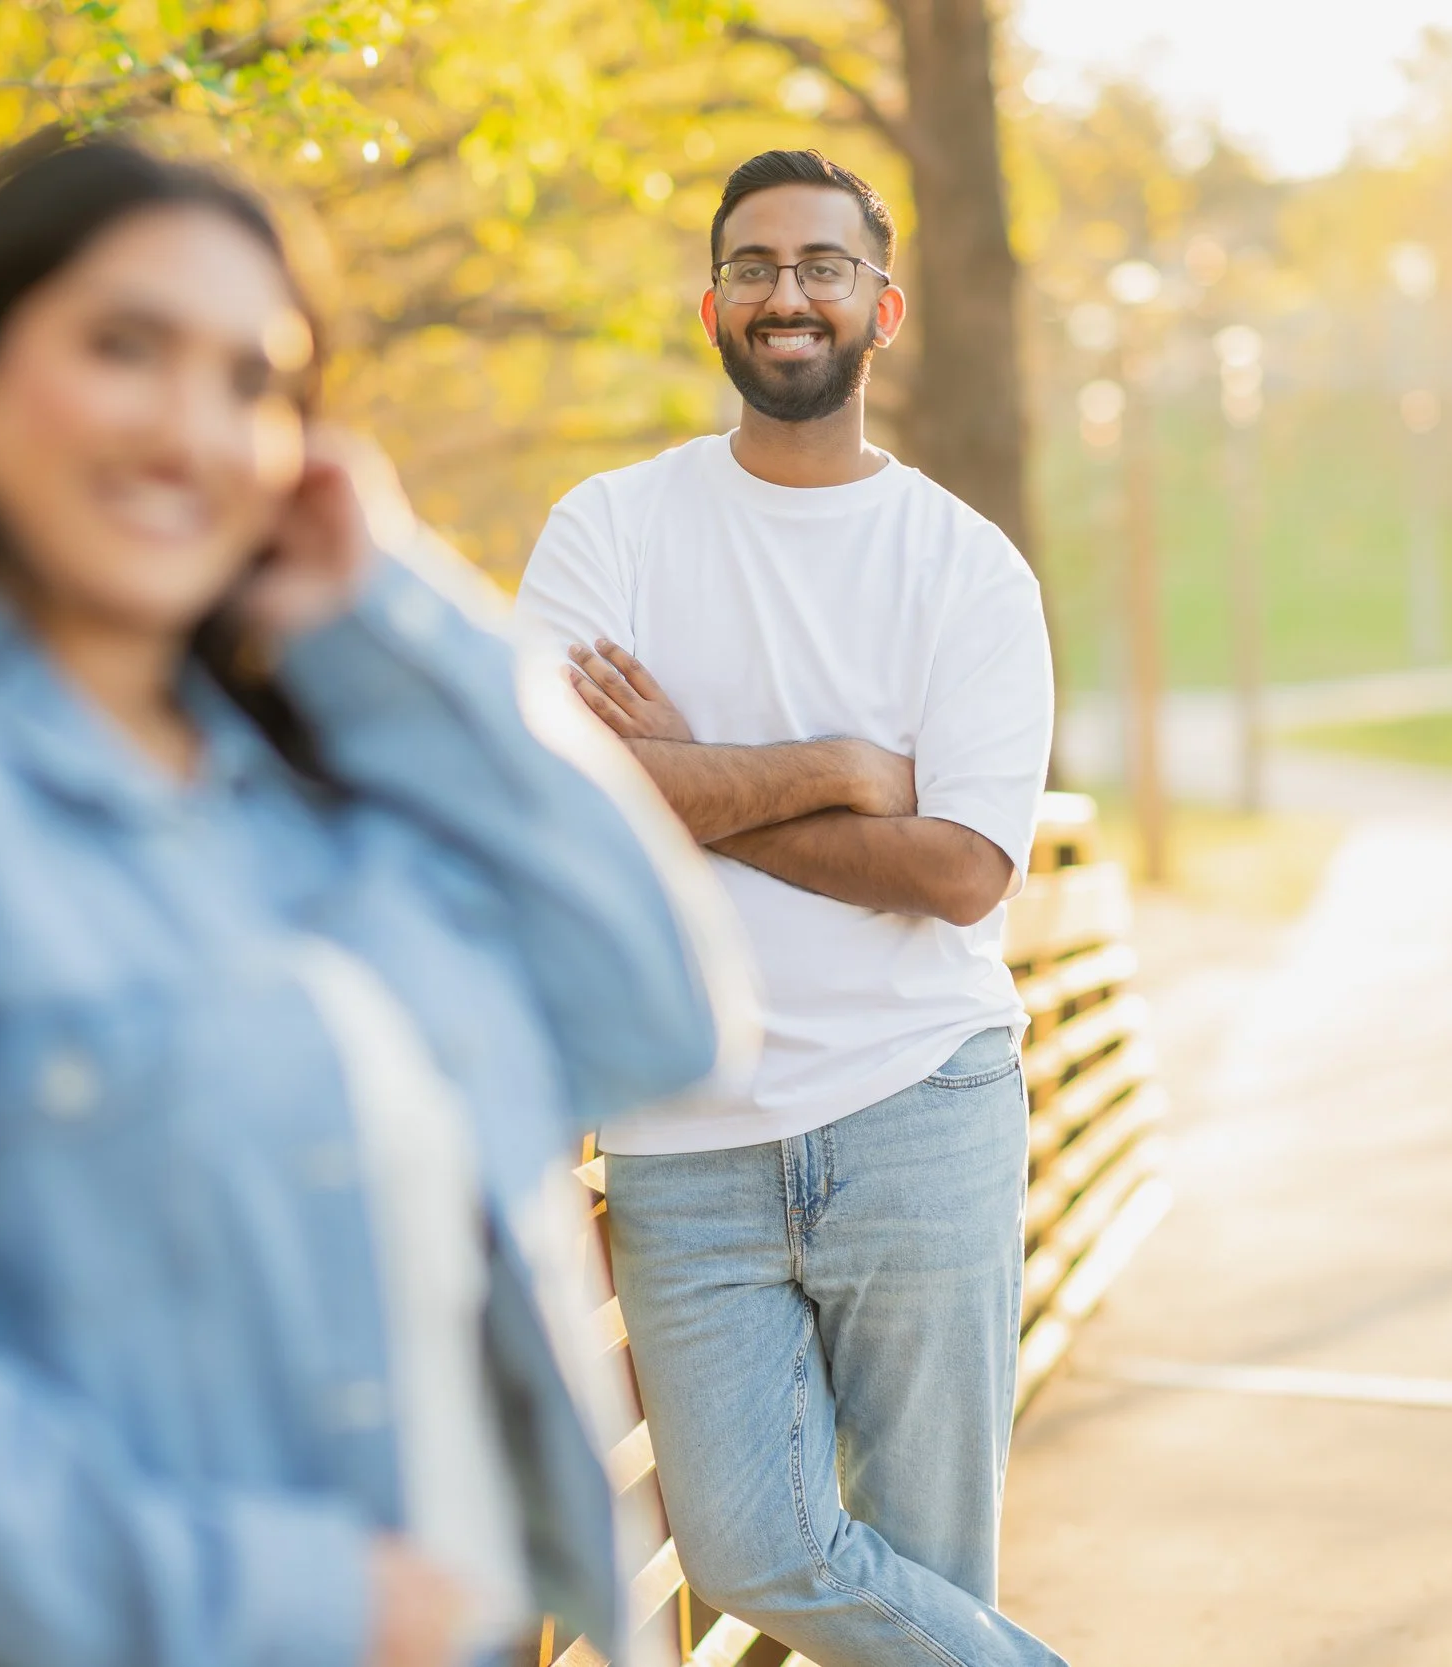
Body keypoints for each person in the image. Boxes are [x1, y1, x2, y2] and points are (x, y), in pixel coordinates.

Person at [0, 139, 739, 1667]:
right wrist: (300, 1604)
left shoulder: (310, 792)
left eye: (254, 385)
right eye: (122, 348)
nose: (190, 431)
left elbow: (665, 1012)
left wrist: (389, 602)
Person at [513, 149, 1064, 1667]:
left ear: (882, 310)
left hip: (920, 1103)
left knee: (929, 1574)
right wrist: (834, 770)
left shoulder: (966, 569)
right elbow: (554, 797)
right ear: (711, 307)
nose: (786, 293)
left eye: (822, 266)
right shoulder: (610, 527)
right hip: (684, 1126)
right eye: (753, 266)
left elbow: (962, 869)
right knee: (754, 1543)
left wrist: (678, 787)